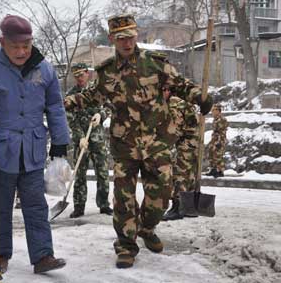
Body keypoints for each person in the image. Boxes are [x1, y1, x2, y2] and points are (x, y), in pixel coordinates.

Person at [64, 14, 213, 268]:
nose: (127, 42)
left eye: (131, 36)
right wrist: (61, 104)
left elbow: (179, 84)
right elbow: (91, 96)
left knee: (162, 195)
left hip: (157, 142)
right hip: (125, 145)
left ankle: (147, 227)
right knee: (124, 199)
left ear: (137, 35)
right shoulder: (106, 71)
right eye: (121, 38)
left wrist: (199, 97)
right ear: (112, 39)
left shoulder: (154, 64)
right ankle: (125, 245)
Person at [0, 14, 70, 275]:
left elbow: (54, 106)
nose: (21, 52)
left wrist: (60, 142)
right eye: (15, 46)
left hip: (32, 150)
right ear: (2, 42)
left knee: (36, 206)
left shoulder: (44, 68)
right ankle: (0, 255)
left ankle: (43, 256)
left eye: (26, 45)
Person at [66, 63, 112, 218]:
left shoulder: (97, 91)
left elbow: (109, 106)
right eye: (76, 75)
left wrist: (101, 115)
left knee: (103, 172)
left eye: (82, 74)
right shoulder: (71, 95)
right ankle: (79, 206)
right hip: (81, 141)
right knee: (80, 173)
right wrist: (79, 138)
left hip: (97, 138)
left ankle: (104, 204)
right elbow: (70, 119)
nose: (79, 78)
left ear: (87, 74)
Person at [161, 87, 200, 221]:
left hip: (187, 142)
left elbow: (175, 129)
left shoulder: (173, 104)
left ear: (167, 91)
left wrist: (164, 144)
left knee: (179, 174)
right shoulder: (179, 101)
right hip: (193, 141)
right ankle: (190, 208)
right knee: (189, 174)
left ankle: (178, 207)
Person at [207, 103, 228, 178]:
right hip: (214, 139)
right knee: (211, 154)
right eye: (212, 110)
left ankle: (220, 171)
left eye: (213, 110)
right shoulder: (215, 119)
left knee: (218, 155)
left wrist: (219, 141)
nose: (212, 112)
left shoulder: (222, 119)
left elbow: (221, 132)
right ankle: (213, 169)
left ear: (218, 111)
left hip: (219, 140)